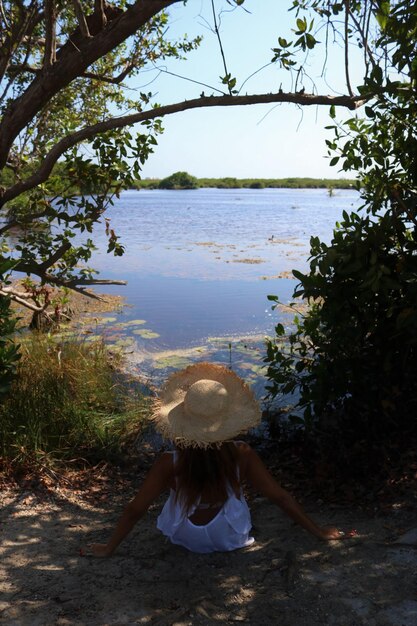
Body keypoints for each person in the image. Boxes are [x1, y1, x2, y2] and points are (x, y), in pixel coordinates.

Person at [87, 362, 346, 557]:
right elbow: (279, 497)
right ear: (227, 421)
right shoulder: (241, 453)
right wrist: (319, 532)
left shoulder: (169, 461)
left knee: (173, 500)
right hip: (229, 536)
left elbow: (136, 509)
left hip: (183, 536)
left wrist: (109, 547)